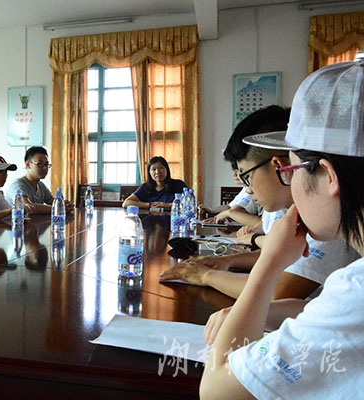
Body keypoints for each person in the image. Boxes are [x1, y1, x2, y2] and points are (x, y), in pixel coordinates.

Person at [200, 60, 364, 398]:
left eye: (293, 171)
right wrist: (262, 311)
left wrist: (270, 261)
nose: (290, 184)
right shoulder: (350, 294)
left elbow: (216, 389)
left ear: (328, 176)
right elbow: (330, 314)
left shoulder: (357, 290)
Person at [160, 105, 358, 300]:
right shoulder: (296, 213)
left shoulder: (326, 217)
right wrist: (226, 262)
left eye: (247, 176)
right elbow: (277, 256)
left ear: (281, 166)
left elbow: (279, 291)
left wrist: (207, 276)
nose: (248, 189)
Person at [5, 146, 73, 214]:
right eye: (40, 164)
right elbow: (29, 207)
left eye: (46, 164)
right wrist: (57, 208)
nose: (45, 168)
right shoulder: (17, 185)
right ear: (28, 164)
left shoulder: (40, 185)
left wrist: (64, 204)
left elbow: (53, 202)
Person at [122, 156, 187, 209]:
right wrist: (149, 205)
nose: (157, 172)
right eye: (153, 169)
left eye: (161, 168)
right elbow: (126, 203)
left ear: (167, 170)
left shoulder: (178, 184)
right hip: (150, 219)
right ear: (149, 172)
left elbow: (189, 203)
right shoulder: (145, 187)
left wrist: (167, 205)